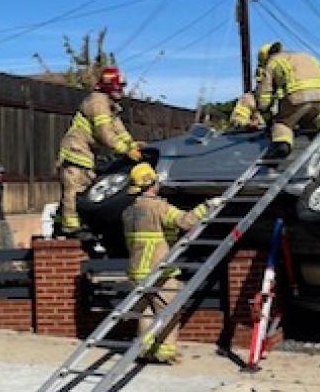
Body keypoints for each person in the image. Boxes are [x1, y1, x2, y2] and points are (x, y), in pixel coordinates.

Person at [122, 162, 222, 363]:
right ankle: (165, 352)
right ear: (152, 183)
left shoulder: (129, 211)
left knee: (146, 311)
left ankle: (145, 348)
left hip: (136, 271)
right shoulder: (158, 207)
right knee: (169, 310)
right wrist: (207, 207)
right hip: (159, 271)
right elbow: (185, 221)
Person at [57, 67, 143, 236]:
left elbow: (119, 130)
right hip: (75, 151)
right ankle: (70, 229)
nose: (122, 91)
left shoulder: (110, 105)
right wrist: (126, 150)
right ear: (110, 86)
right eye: (119, 87)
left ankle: (69, 224)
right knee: (74, 190)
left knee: (85, 191)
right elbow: (105, 134)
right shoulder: (97, 103)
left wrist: (132, 144)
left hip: (86, 154)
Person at [255, 41, 320, 158]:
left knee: (283, 123)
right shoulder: (305, 56)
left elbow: (265, 92)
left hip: (297, 97)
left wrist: (263, 108)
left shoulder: (272, 62)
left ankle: (282, 145)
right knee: (310, 118)